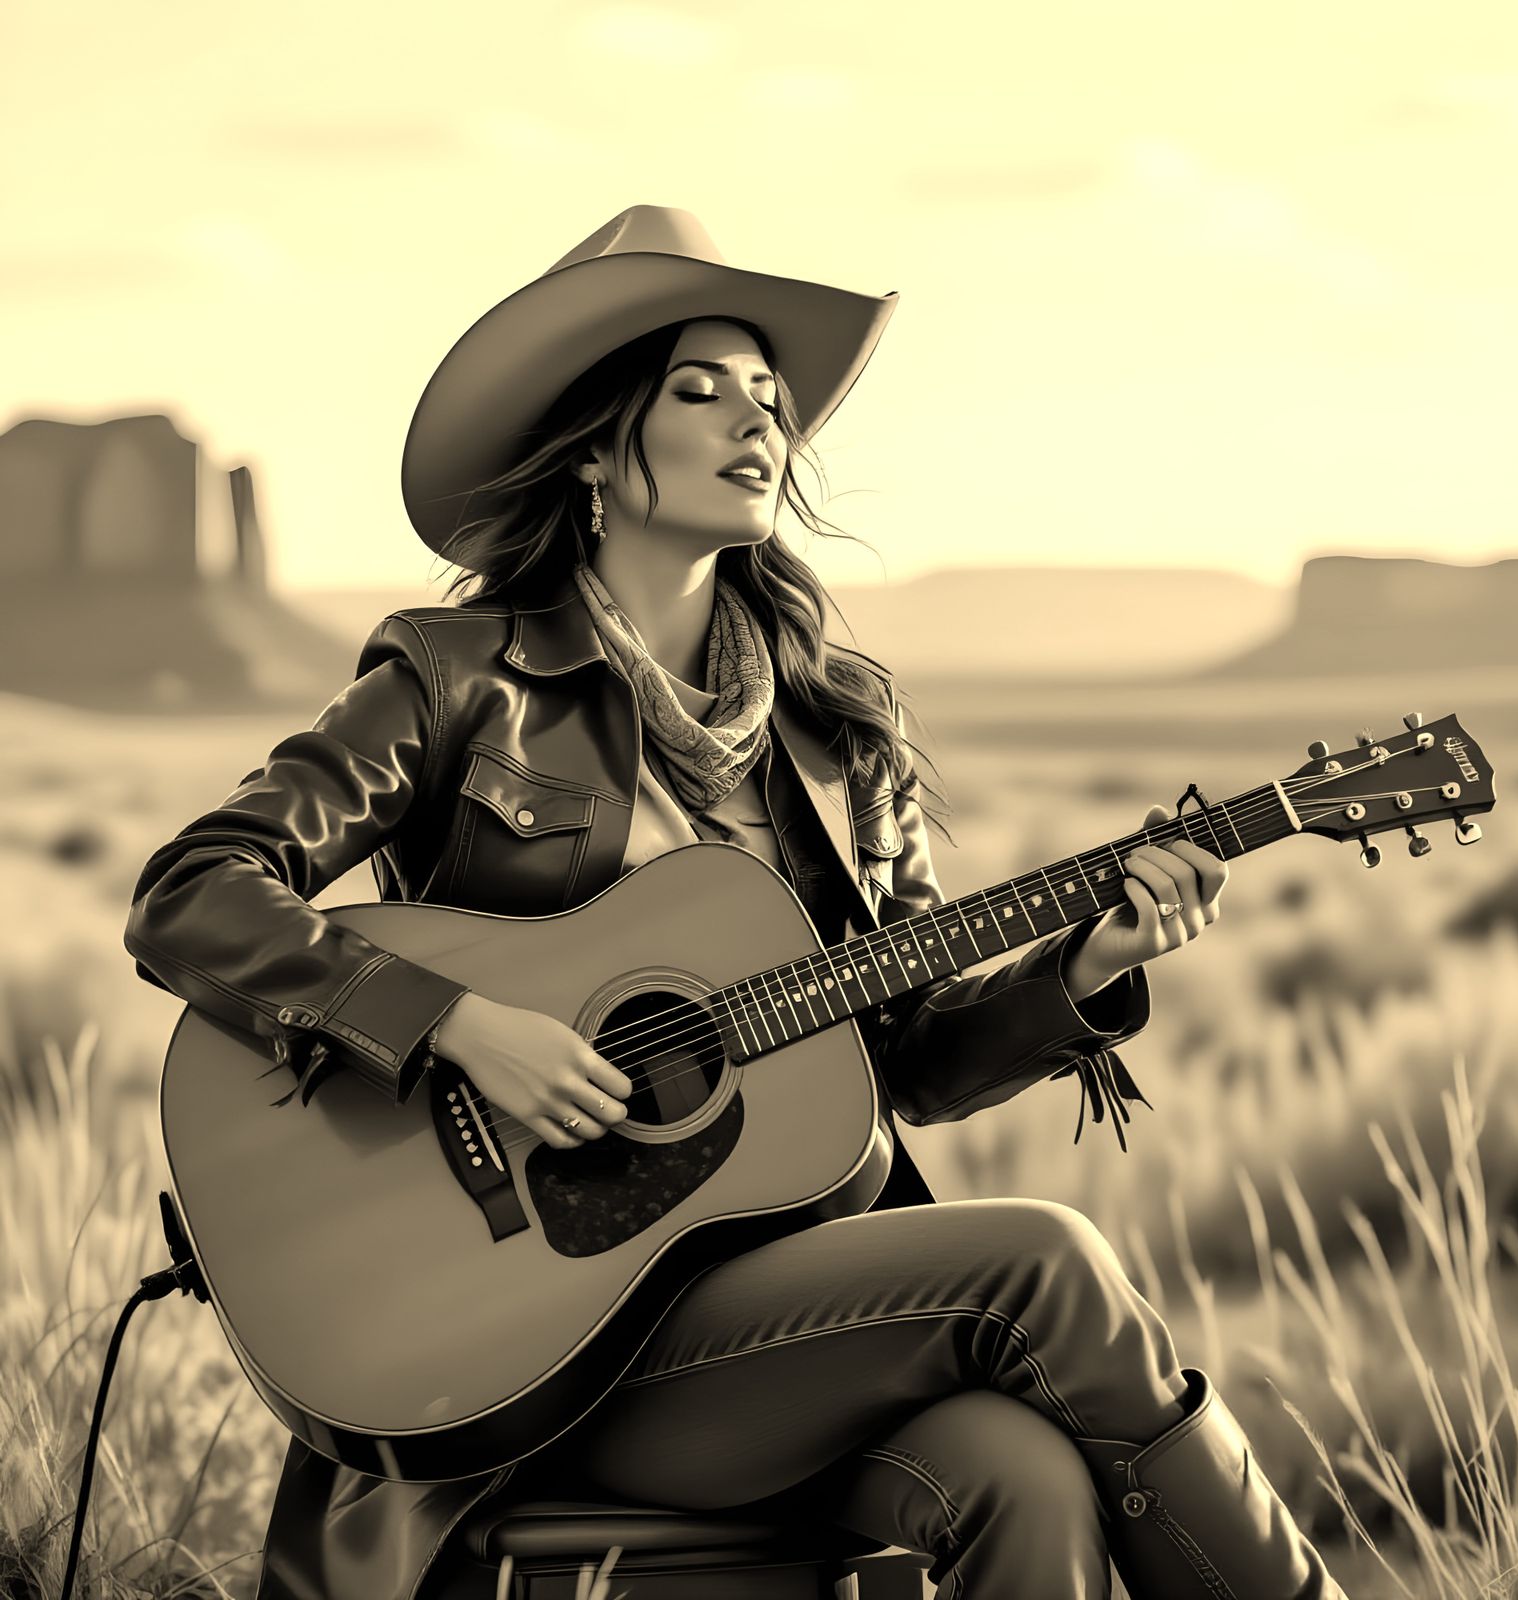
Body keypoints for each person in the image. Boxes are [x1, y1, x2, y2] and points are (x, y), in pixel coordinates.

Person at [124, 206, 1345, 1599]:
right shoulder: (462, 678)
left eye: (772, 398)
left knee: (1023, 1470)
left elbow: (911, 1062)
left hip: (781, 1327)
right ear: (593, 446)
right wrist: (455, 1024)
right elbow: (192, 893)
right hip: (525, 1348)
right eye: (698, 391)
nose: (756, 422)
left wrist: (1081, 973)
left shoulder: (841, 734)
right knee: (1043, 1257)